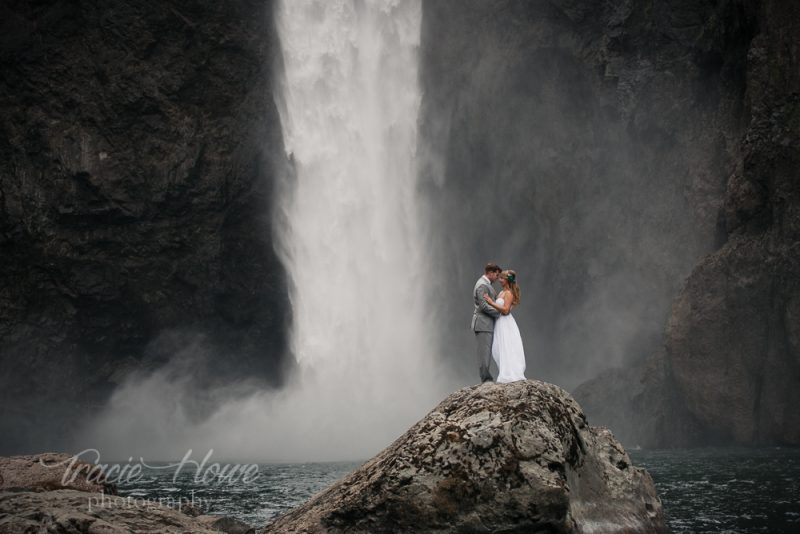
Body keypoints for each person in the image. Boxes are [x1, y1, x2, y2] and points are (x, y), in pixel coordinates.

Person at [483, 270, 526, 383]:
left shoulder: (509, 293)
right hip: (499, 322)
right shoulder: (502, 292)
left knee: (507, 346)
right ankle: (504, 371)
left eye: (502, 278)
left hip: (505, 323)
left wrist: (491, 302)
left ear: (507, 280)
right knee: (499, 347)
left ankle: (510, 374)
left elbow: (506, 310)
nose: (499, 280)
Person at [471, 263, 502, 383]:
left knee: (486, 351)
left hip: (486, 324)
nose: (497, 278)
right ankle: (486, 379)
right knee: (484, 352)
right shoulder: (482, 285)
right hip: (483, 324)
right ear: (490, 273)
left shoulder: (485, 284)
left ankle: (486, 377)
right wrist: (498, 313)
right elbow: (483, 306)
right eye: (496, 275)